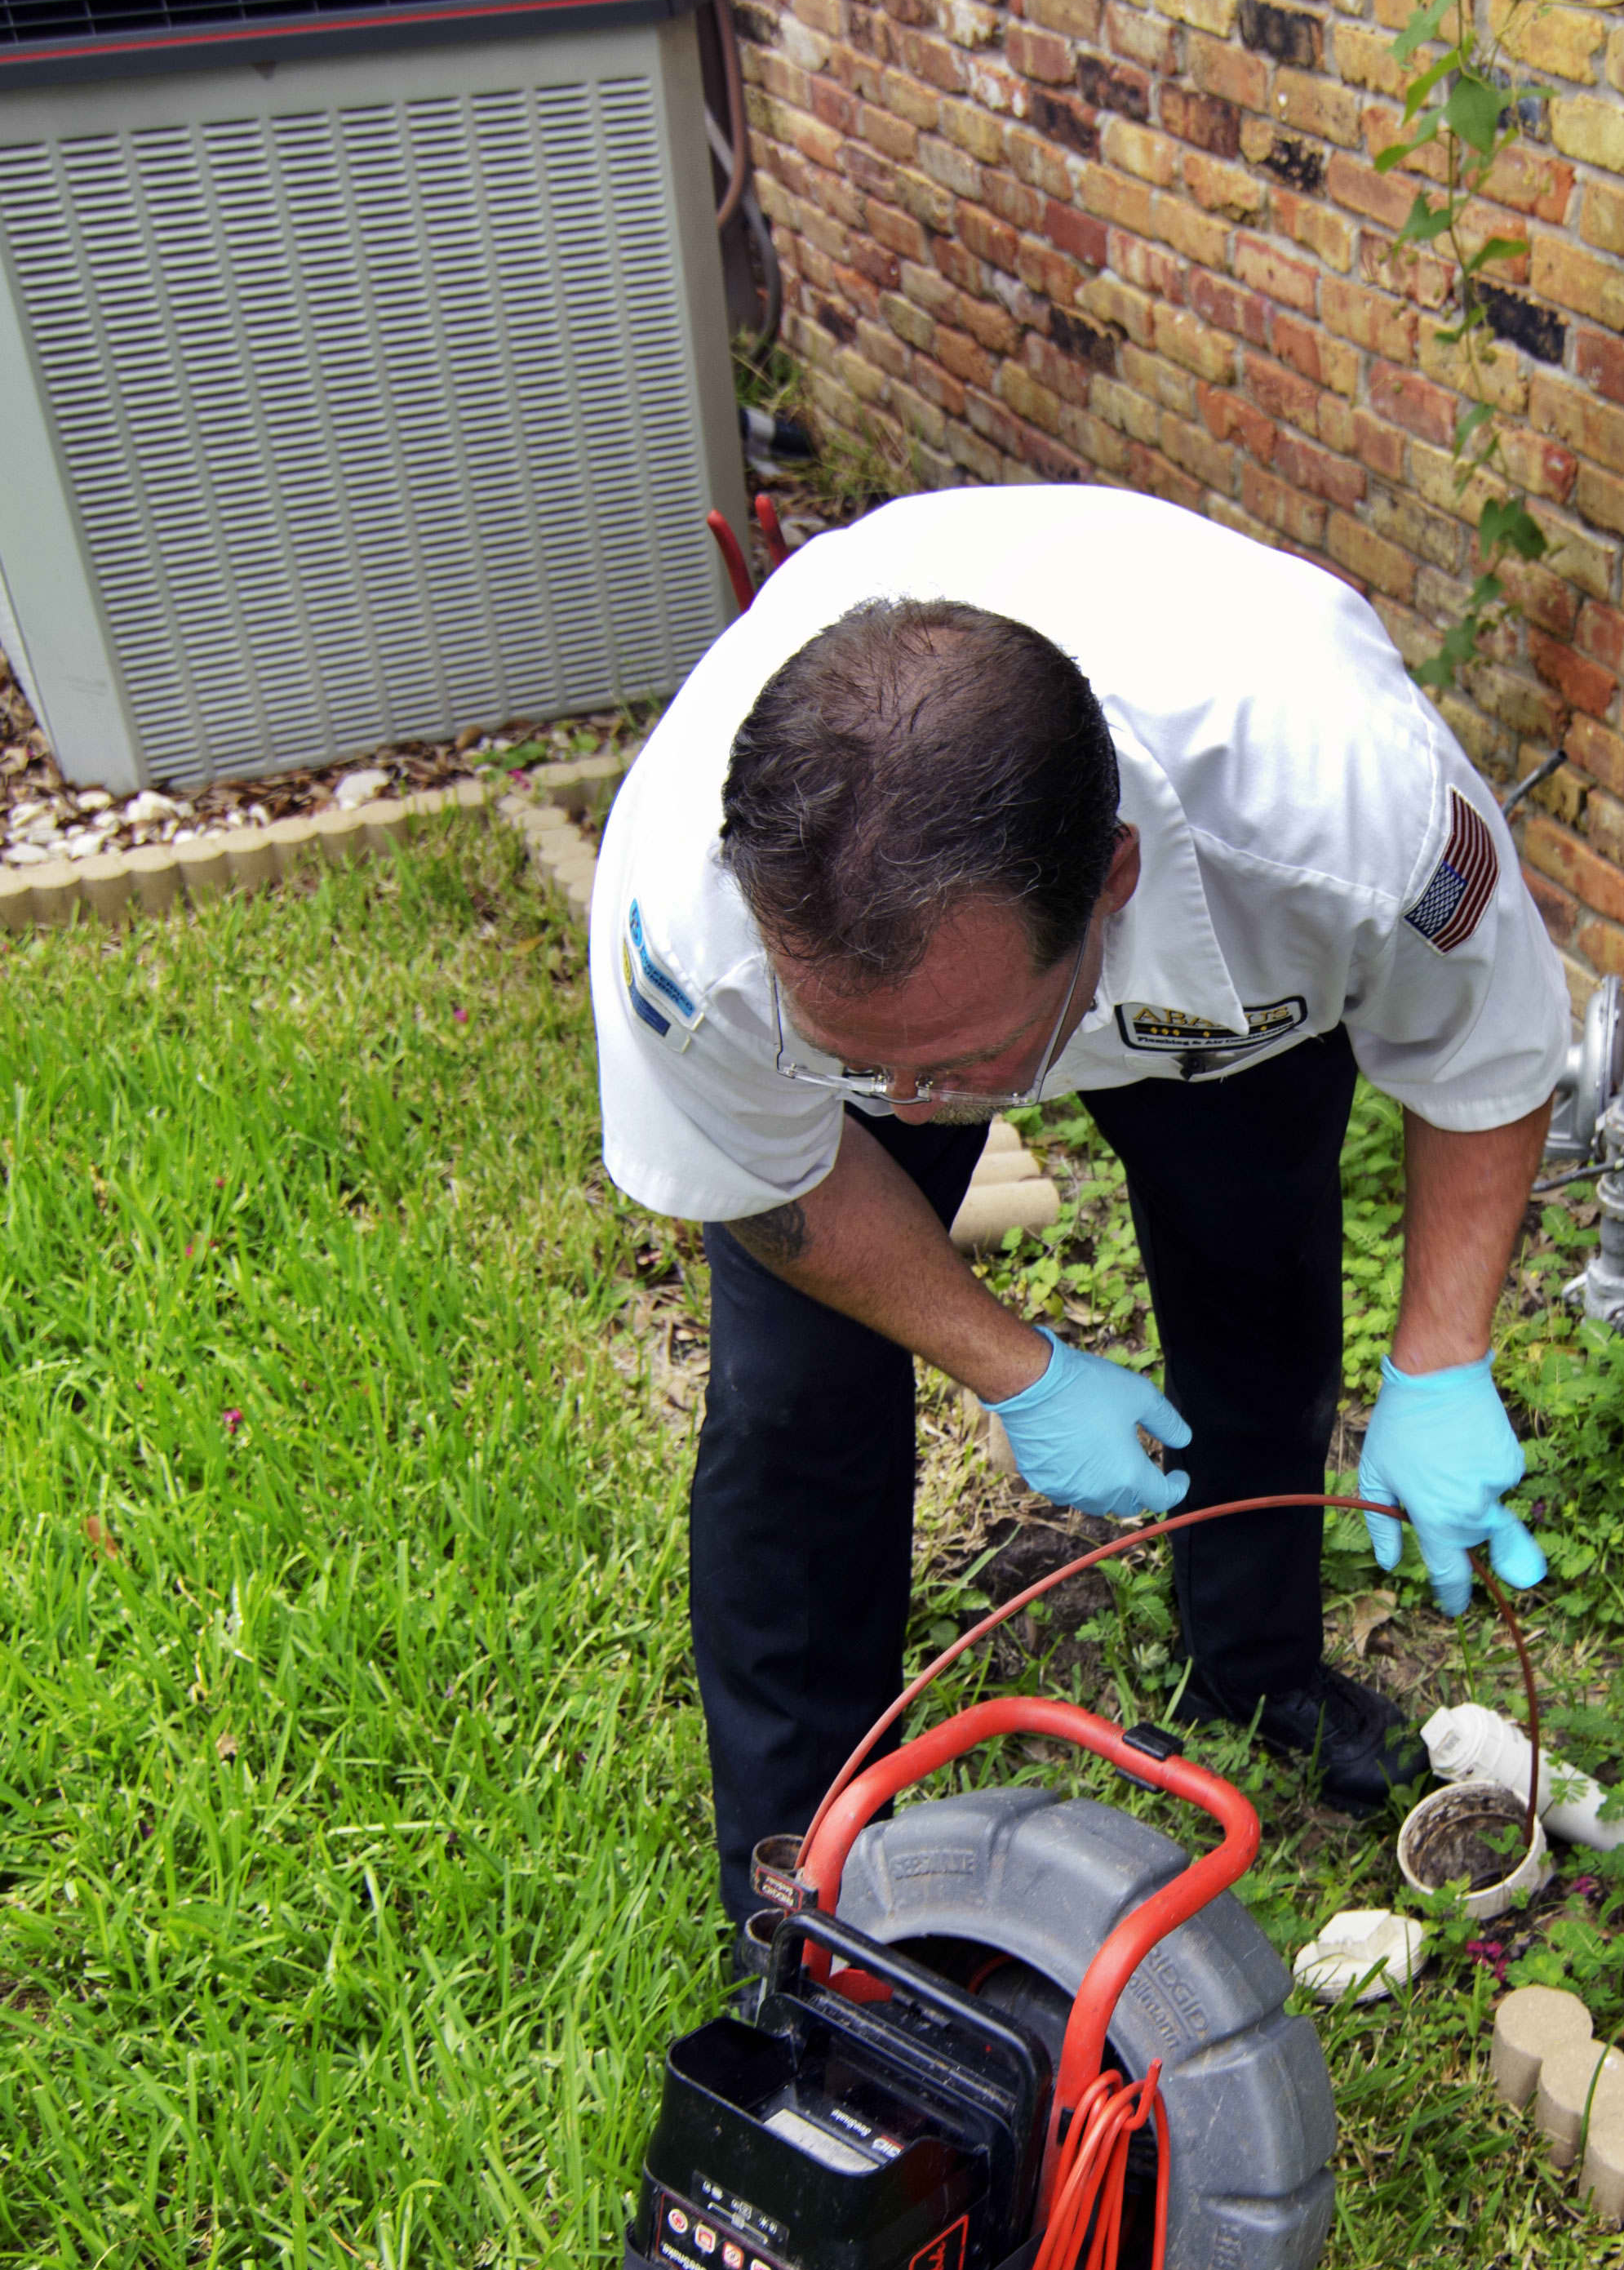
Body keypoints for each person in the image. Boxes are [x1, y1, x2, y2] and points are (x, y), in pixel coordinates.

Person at [588, 482, 1573, 1926]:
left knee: (1256, 1295)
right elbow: (773, 1180)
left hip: (1220, 960)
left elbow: (1486, 1042)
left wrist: (1443, 1357)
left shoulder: (1345, 813)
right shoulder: (685, 911)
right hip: (954, 944)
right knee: (795, 1402)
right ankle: (803, 1860)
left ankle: (1254, 1666)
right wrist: (1019, 1368)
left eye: (956, 1065)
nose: (925, 1111)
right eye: (865, 1060)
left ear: (1112, 883)